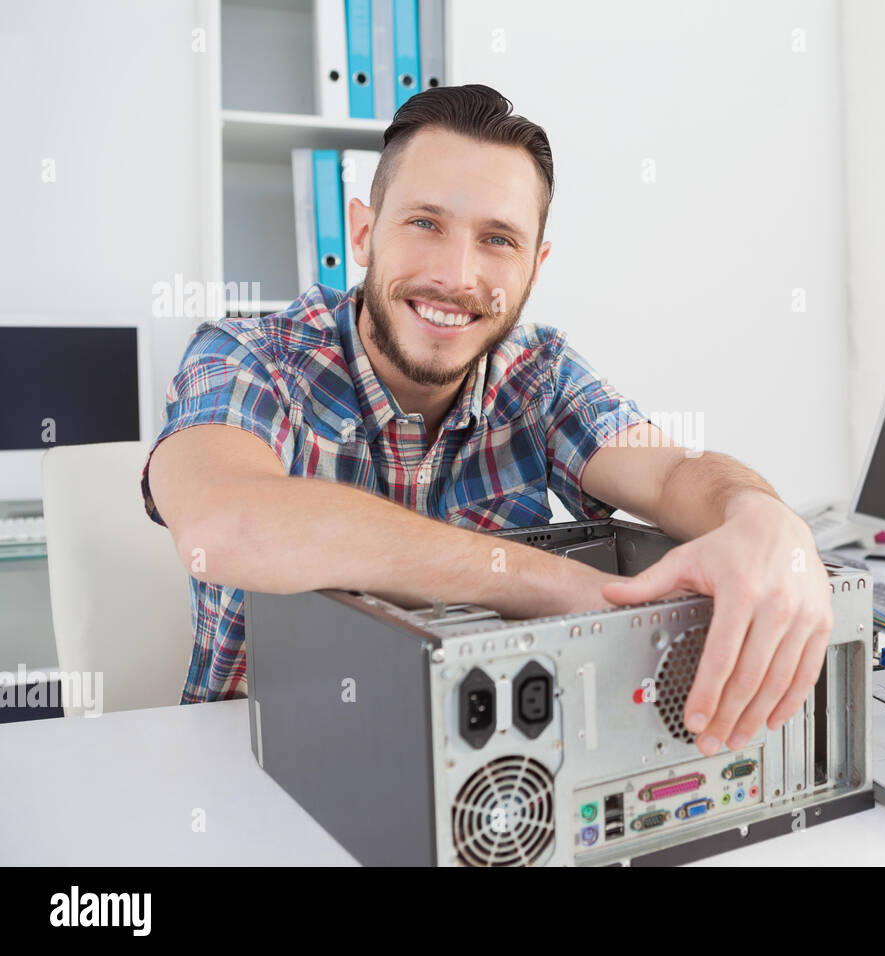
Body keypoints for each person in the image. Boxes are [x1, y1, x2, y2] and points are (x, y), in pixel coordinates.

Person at [143, 84, 831, 758]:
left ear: (536, 267)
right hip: (257, 767)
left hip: (488, 776)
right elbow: (227, 523)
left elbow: (675, 474)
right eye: (425, 223)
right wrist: (563, 588)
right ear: (361, 231)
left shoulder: (539, 373)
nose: (456, 274)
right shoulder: (249, 357)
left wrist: (761, 517)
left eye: (498, 239)